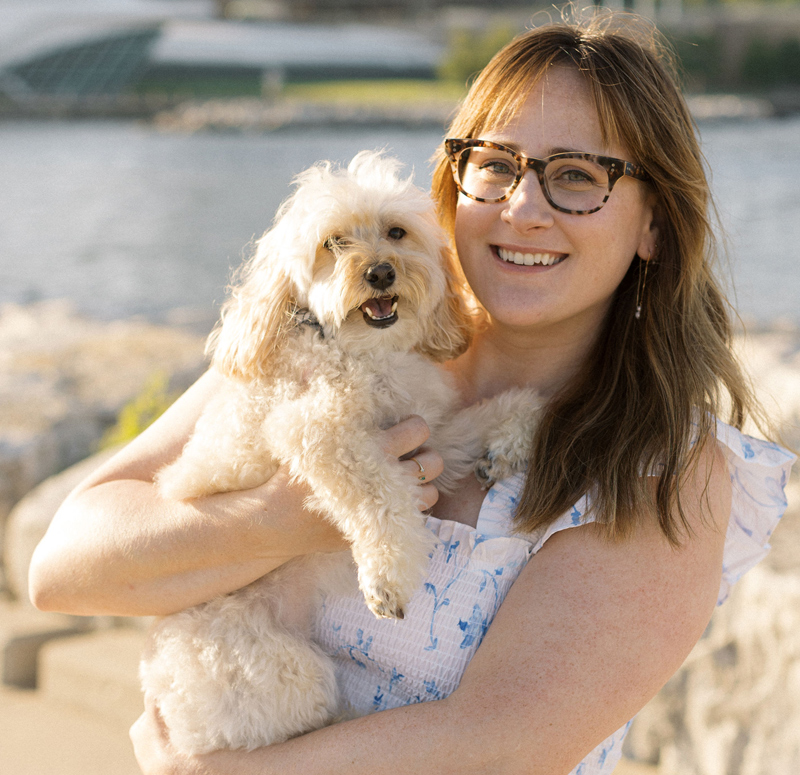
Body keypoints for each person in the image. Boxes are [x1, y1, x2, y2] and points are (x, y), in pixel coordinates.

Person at [29, 10, 795, 775]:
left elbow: (499, 746)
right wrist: (287, 518)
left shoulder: (661, 471)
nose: (523, 210)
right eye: (496, 164)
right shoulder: (330, 341)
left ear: (653, 226)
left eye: (577, 177)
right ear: (453, 183)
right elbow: (64, 569)